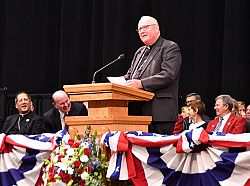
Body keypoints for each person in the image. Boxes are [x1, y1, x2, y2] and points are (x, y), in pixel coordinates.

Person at [123, 16, 182, 135]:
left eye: (146, 27)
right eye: (139, 29)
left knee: (159, 152)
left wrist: (141, 84)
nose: (142, 31)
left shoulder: (169, 47)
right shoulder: (140, 52)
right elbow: (131, 75)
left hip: (159, 113)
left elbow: (168, 74)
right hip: (136, 113)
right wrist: (116, 83)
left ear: (157, 28)